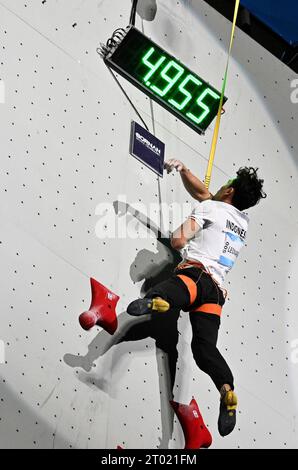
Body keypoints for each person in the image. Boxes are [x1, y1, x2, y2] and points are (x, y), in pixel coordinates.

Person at [127, 159, 267, 437]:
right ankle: (226, 390)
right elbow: (207, 195)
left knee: (171, 290)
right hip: (216, 292)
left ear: (228, 191)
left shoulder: (210, 207)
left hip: (196, 276)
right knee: (205, 350)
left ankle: (158, 301)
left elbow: (179, 240)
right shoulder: (241, 220)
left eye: (225, 185)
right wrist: (183, 170)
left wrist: (182, 236)